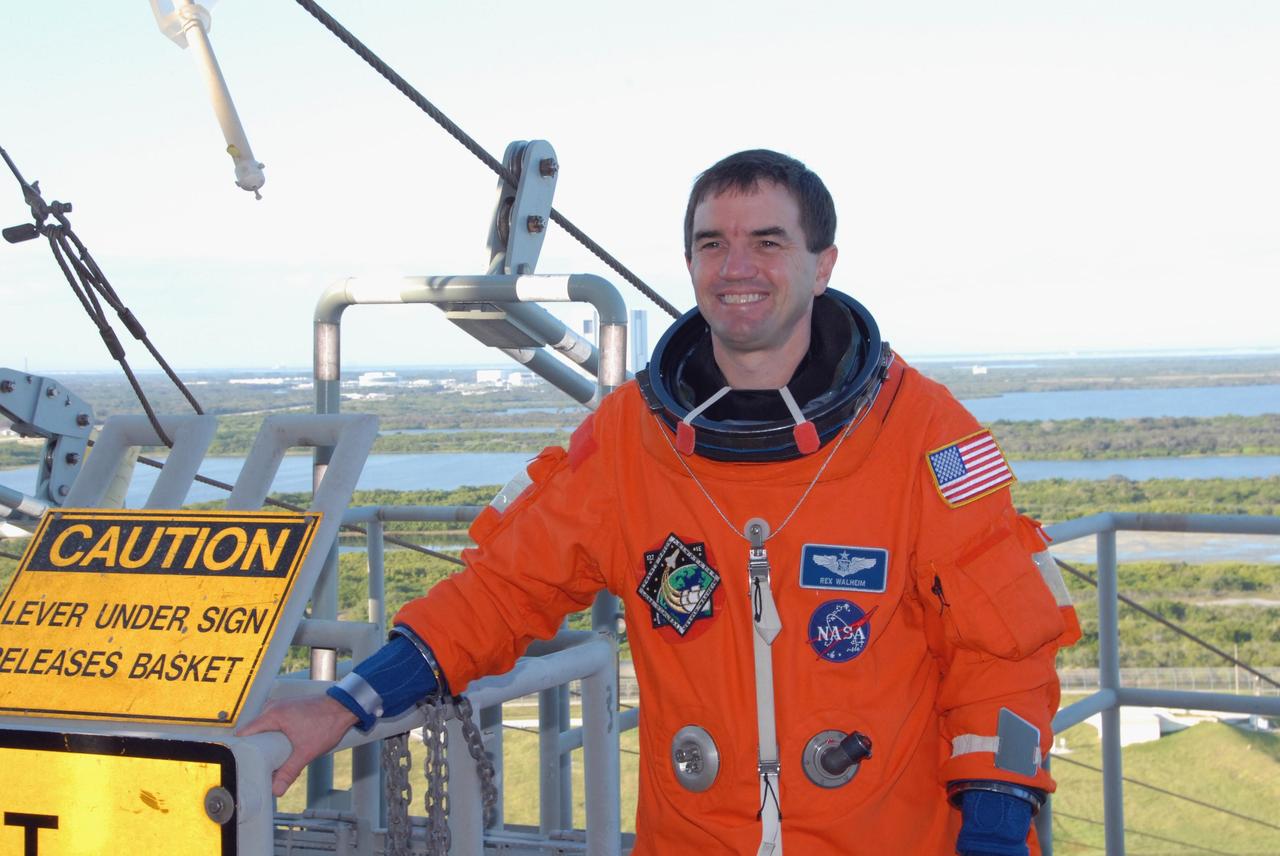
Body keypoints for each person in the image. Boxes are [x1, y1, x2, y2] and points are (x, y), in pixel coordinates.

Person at [243, 149, 1079, 855]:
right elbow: (500, 592)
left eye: (767, 241)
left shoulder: (922, 432)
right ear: (690, 264)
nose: (736, 267)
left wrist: (995, 835)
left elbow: (1001, 655)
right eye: (712, 243)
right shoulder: (630, 439)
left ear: (823, 264)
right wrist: (344, 703)